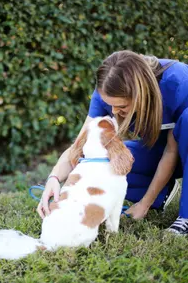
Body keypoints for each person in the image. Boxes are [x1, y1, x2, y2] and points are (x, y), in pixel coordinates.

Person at [37, 50, 188, 235]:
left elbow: (172, 152)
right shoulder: (108, 91)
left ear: (140, 93)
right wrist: (53, 179)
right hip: (157, 150)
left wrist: (143, 205)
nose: (114, 111)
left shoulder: (178, 82)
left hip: (180, 147)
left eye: (122, 106)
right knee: (103, 163)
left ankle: (185, 216)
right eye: (110, 105)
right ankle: (163, 192)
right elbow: (80, 146)